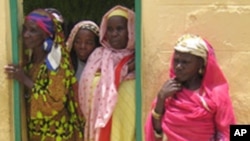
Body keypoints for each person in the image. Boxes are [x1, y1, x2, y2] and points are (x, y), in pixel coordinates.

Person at [4, 8, 83, 141]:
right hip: (36, 133)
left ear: (46, 34)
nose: (26, 35)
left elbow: (54, 102)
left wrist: (24, 79)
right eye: (25, 29)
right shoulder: (30, 61)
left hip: (56, 133)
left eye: (33, 31)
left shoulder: (56, 61)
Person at [145, 34, 236, 141]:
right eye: (176, 60)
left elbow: (227, 131)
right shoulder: (169, 92)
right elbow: (156, 133)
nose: (178, 67)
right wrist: (161, 99)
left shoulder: (215, 94)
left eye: (185, 62)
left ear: (200, 64)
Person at [78, 5, 135, 141]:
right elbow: (85, 86)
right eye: (110, 29)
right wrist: (125, 70)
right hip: (96, 124)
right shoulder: (98, 56)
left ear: (130, 31)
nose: (114, 34)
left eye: (119, 29)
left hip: (125, 122)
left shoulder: (137, 59)